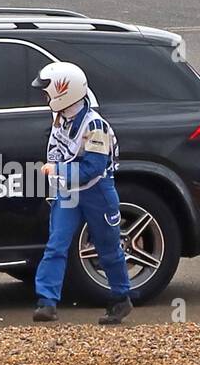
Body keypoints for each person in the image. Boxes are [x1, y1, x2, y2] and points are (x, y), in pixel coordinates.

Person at [30, 62, 133, 325]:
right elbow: (54, 152)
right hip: (69, 191)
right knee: (56, 245)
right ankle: (46, 302)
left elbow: (93, 167)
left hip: (97, 191)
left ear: (64, 91)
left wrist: (58, 169)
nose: (45, 97)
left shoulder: (94, 126)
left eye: (47, 91)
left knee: (108, 247)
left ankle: (121, 299)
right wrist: (55, 187)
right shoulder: (61, 118)